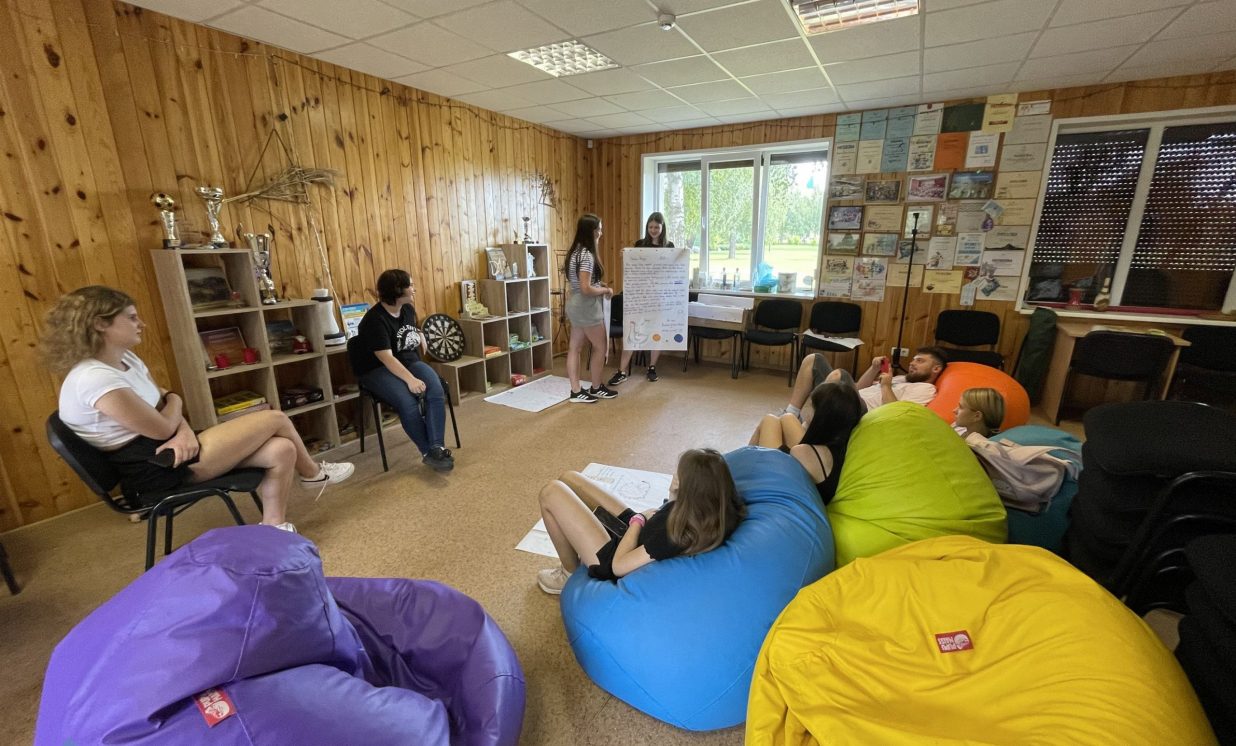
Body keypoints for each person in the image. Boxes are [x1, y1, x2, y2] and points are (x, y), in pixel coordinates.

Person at [42, 286, 354, 532]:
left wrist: (182, 426)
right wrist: (176, 410)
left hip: (173, 445)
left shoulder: (126, 359)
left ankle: (274, 527)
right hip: (155, 467)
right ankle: (313, 474)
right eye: (132, 318)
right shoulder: (94, 379)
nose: (141, 324)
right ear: (100, 324)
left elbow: (165, 402)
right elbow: (163, 422)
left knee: (282, 449)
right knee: (274, 418)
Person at [535, 448, 745, 594]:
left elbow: (618, 567)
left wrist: (638, 521)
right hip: (638, 533)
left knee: (551, 492)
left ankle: (568, 573)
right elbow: (667, 514)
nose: (674, 474)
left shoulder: (675, 533)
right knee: (569, 477)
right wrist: (673, 495)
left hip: (612, 557)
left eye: (679, 473)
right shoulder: (715, 509)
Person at [353, 269, 454, 472]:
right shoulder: (374, 320)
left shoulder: (407, 309)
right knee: (407, 401)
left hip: (406, 360)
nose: (414, 289)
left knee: (435, 389)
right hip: (376, 369)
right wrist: (410, 380)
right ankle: (427, 452)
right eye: (410, 285)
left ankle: (437, 447)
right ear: (397, 290)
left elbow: (405, 330)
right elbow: (386, 358)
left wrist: (420, 333)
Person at [751, 381, 863, 504]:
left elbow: (782, 474)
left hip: (782, 487)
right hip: (825, 477)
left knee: (769, 420)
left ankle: (742, 468)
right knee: (788, 417)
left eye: (811, 406)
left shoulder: (802, 451)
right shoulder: (845, 440)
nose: (807, 410)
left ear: (820, 416)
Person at [783, 347, 948, 419]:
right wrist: (873, 368)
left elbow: (896, 414)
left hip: (860, 413)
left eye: (920, 361)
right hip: (851, 398)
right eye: (913, 360)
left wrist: (886, 385)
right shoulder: (901, 379)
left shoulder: (926, 389)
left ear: (936, 369)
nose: (912, 363)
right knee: (814, 359)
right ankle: (791, 413)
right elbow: (857, 387)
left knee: (839, 375)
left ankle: (813, 424)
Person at [608, 212, 674, 386]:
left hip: (658, 298)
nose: (653, 230)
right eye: (650, 227)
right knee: (633, 332)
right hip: (639, 297)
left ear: (662, 228)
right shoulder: (640, 245)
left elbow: (672, 270)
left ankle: (652, 367)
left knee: (656, 332)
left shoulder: (669, 246)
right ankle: (621, 371)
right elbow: (633, 268)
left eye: (657, 227)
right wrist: (625, 255)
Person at [564, 213, 617, 403]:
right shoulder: (587, 255)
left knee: (575, 348)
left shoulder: (575, 252)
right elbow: (586, 289)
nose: (601, 232)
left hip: (575, 303)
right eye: (599, 229)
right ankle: (596, 386)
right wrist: (605, 290)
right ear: (592, 232)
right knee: (600, 347)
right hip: (586, 306)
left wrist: (597, 283)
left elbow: (581, 282)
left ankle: (576, 391)